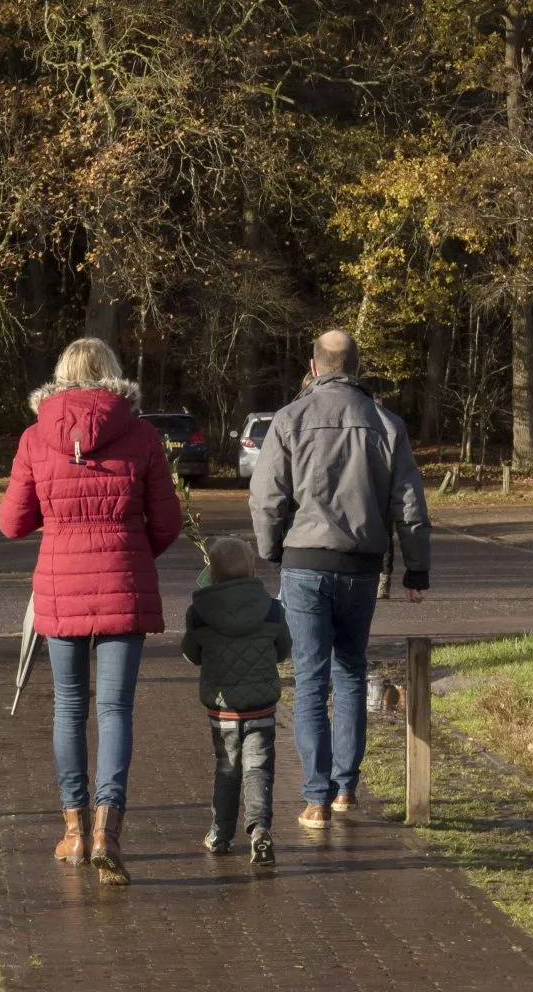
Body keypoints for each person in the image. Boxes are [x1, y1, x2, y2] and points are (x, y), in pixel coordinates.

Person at [0, 337, 183, 887]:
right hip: (123, 587)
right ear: (113, 374)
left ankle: (75, 831)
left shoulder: (36, 438)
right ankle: (108, 829)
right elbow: (168, 522)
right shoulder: (143, 435)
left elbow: (11, 523)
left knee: (68, 709)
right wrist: (127, 554)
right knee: (116, 710)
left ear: (60, 376)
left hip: (60, 589)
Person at [249, 329, 430, 829]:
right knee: (350, 671)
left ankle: (316, 798)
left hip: (305, 562)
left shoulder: (288, 419)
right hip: (361, 565)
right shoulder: (386, 423)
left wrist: (272, 551)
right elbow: (409, 505)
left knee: (310, 681)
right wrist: (417, 568)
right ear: (357, 366)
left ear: (314, 367)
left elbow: (265, 498)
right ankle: (346, 788)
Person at [182, 535, 293, 867]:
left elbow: (192, 654)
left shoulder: (199, 613)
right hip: (261, 706)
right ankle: (260, 828)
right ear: (251, 570)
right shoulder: (272, 608)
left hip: (223, 707)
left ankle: (221, 833)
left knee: (227, 769)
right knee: (259, 769)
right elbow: (283, 650)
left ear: (212, 574)